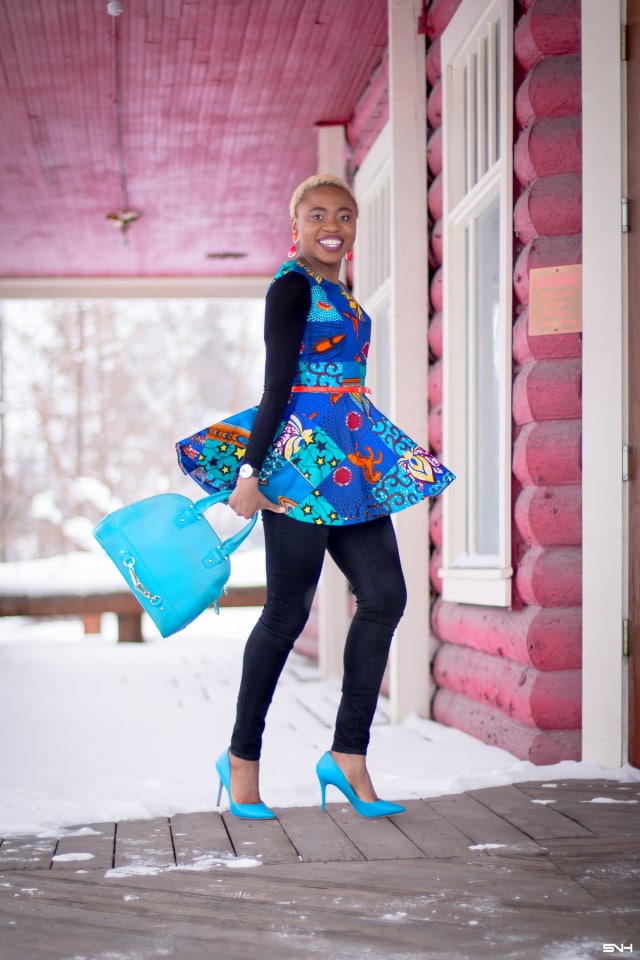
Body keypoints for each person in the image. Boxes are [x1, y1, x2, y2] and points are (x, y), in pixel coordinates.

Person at [178, 174, 454, 820]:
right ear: (295, 226)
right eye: (318, 215)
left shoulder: (347, 298)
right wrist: (249, 472)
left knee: (386, 596)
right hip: (300, 464)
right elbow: (277, 387)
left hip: (351, 465)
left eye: (345, 215)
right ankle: (241, 759)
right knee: (287, 612)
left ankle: (347, 755)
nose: (333, 224)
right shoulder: (291, 288)